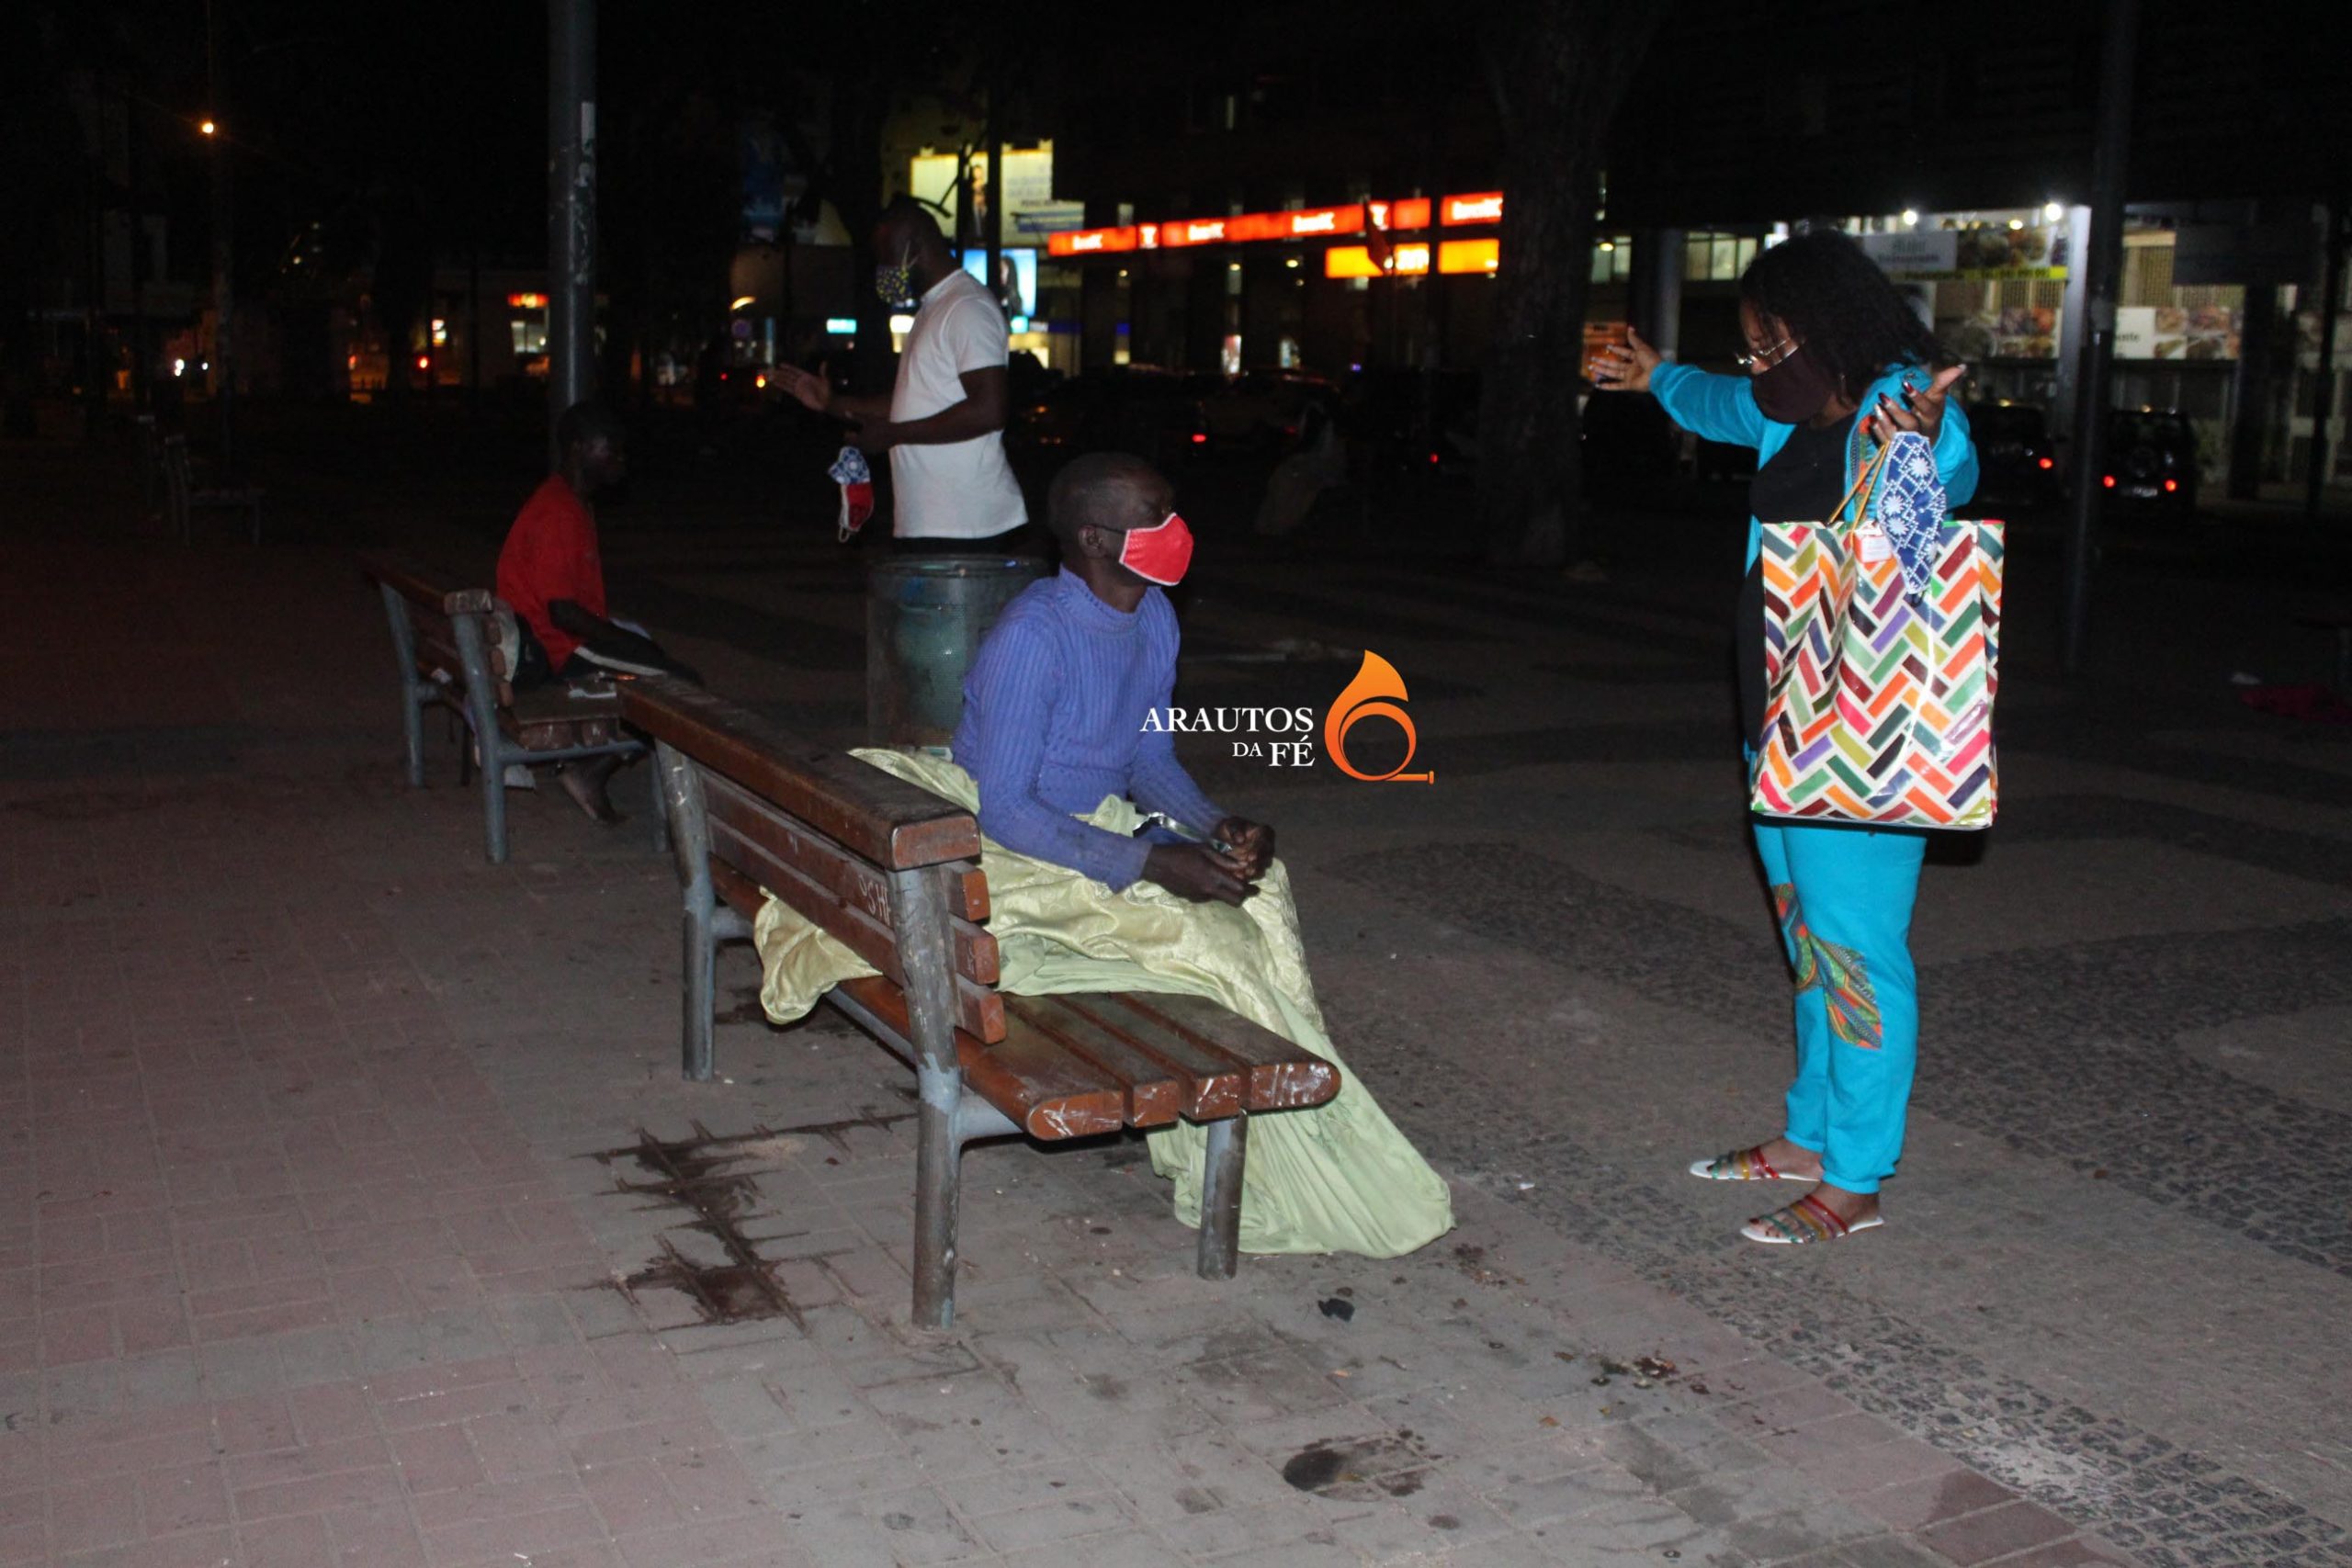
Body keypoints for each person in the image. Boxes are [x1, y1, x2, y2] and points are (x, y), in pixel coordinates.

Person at [749, 454, 1453, 1258]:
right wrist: (1151, 864)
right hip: (1011, 842)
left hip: (1089, 827)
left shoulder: (1152, 617)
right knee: (1218, 944)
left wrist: (1216, 825)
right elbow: (1009, 806)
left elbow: (1149, 760)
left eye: (1172, 512)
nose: (1175, 533)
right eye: (1155, 518)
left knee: (1256, 891)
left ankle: (1275, 1129)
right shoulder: (1035, 638)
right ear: (1093, 537)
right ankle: (1258, 1140)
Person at [1590, 229, 1977, 1247]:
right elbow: (1722, 405)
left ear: (1826, 326)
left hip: (1867, 731)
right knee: (1808, 939)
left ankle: (1855, 1180)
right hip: (1781, 720)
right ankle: (1811, 1134)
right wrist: (1655, 377)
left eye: (1769, 345)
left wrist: (1923, 434)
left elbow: (1943, 476)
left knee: (1854, 953)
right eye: (1754, 349)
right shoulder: (1785, 409)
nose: (1758, 365)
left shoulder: (1893, 402)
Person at [775, 199, 1035, 554]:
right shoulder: (934, 308)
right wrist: (831, 403)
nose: (883, 270)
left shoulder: (966, 308)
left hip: (966, 524)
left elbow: (989, 409)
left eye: (886, 257)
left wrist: (894, 435)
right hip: (934, 522)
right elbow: (910, 403)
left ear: (914, 246)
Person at [495, 400, 695, 822]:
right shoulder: (558, 512)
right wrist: (623, 640)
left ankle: (596, 769)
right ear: (579, 448)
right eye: (613, 450)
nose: (621, 460)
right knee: (680, 684)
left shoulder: (569, 501)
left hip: (555, 638)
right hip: (557, 646)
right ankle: (593, 771)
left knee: (652, 658)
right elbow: (563, 612)